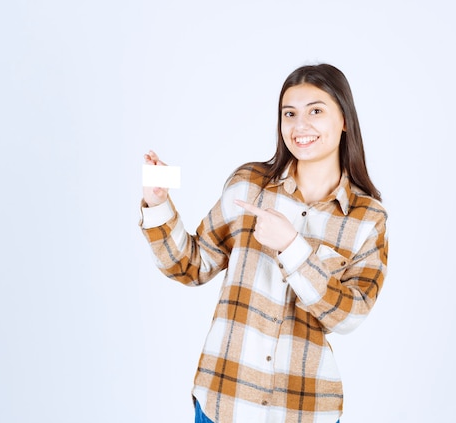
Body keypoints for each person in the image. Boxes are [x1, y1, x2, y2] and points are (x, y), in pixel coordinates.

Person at [140, 63, 388, 423]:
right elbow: (191, 267)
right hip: (223, 401)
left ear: (345, 119)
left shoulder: (367, 217)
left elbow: (349, 315)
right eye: (289, 113)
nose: (299, 125)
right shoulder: (249, 186)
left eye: (315, 111)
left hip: (305, 410)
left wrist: (292, 247)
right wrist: (158, 202)